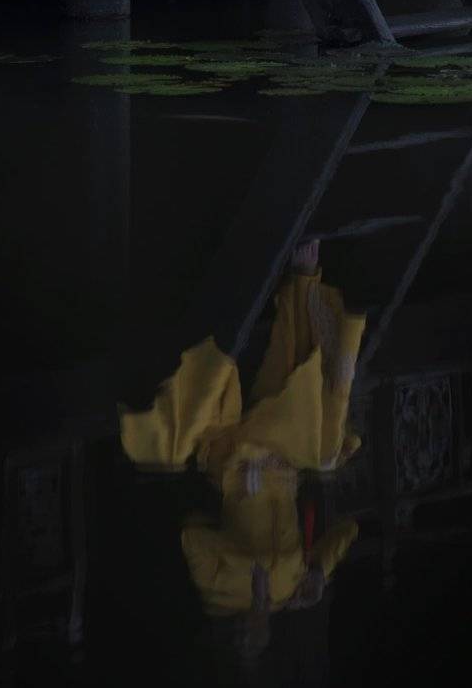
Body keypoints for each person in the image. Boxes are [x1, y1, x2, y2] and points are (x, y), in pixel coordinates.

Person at [119, 237, 366, 657]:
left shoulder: (218, 594)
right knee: (323, 454)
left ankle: (203, 312)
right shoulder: (291, 589)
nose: (245, 633)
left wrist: (248, 568)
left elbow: (191, 535)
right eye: (253, 638)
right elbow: (348, 531)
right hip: (283, 454)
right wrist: (319, 573)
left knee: (170, 446)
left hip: (231, 459)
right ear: (267, 634)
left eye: (239, 638)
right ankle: (304, 280)